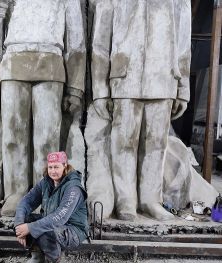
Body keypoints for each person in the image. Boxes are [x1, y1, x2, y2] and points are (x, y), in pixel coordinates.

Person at [0, 0, 86, 216]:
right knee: (12, 137)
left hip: (50, 61)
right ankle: (15, 194)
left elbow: (76, 40)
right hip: (13, 60)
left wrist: (75, 87)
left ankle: (43, 193)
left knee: (47, 139)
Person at [90, 0, 191, 221]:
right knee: (124, 141)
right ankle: (125, 200)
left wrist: (183, 87)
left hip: (163, 76)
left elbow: (184, 40)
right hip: (125, 76)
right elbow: (100, 41)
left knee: (157, 144)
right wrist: (100, 89)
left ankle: (150, 200)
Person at [14, 151, 89, 263]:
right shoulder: (46, 182)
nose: (53, 171)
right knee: (25, 221)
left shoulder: (73, 188)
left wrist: (30, 228)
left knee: (45, 230)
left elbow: (60, 217)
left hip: (74, 229)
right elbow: (26, 201)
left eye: (56, 167)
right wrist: (20, 225)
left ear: (65, 165)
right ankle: (37, 255)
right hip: (53, 222)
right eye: (50, 167)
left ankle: (54, 259)